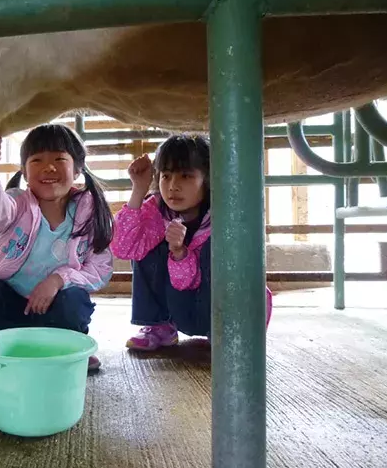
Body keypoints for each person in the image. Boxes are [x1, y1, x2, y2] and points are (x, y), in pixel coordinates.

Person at [0, 125, 114, 371]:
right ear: (24, 171)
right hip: (12, 311)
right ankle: (6, 353)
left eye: (59, 159)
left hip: (54, 312)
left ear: (77, 168)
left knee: (74, 301)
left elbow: (100, 269)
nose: (49, 167)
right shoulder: (16, 204)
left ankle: (68, 350)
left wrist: (58, 280)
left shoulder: (90, 213)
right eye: (37, 160)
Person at [111, 134, 272, 350]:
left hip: (211, 308)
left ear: (208, 178)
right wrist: (138, 190)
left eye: (186, 176)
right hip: (177, 305)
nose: (173, 186)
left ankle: (228, 331)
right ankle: (159, 326)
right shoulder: (157, 210)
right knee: (143, 245)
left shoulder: (225, 216)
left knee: (214, 250)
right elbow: (124, 248)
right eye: (166, 176)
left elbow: (235, 279)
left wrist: (181, 254)